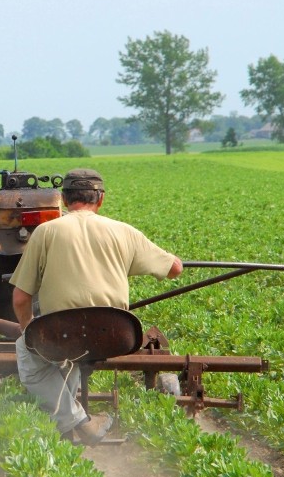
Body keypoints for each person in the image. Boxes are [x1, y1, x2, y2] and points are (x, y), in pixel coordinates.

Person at [9, 168, 183, 446]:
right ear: (100, 199)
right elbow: (175, 269)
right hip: (117, 335)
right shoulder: (124, 232)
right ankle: (74, 424)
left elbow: (20, 298)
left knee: (29, 354)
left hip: (62, 334)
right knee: (74, 350)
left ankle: (77, 421)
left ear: (64, 200)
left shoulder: (45, 232)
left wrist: (29, 332)